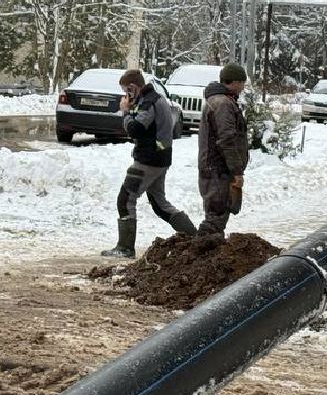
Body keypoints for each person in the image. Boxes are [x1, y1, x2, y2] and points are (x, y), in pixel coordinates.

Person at [101, 69, 197, 258]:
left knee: (126, 198)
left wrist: (125, 112)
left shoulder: (149, 103)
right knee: (159, 203)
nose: (125, 95)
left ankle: (125, 248)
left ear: (133, 87)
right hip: (158, 158)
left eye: (126, 91)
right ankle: (195, 237)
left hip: (148, 159)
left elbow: (136, 129)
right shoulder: (152, 99)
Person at [198, 64, 250, 237]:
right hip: (218, 170)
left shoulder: (219, 101)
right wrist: (236, 172)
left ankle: (206, 252)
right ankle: (202, 254)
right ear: (235, 82)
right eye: (242, 83)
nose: (243, 87)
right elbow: (226, 140)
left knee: (217, 215)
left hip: (216, 169)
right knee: (216, 217)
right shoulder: (223, 104)